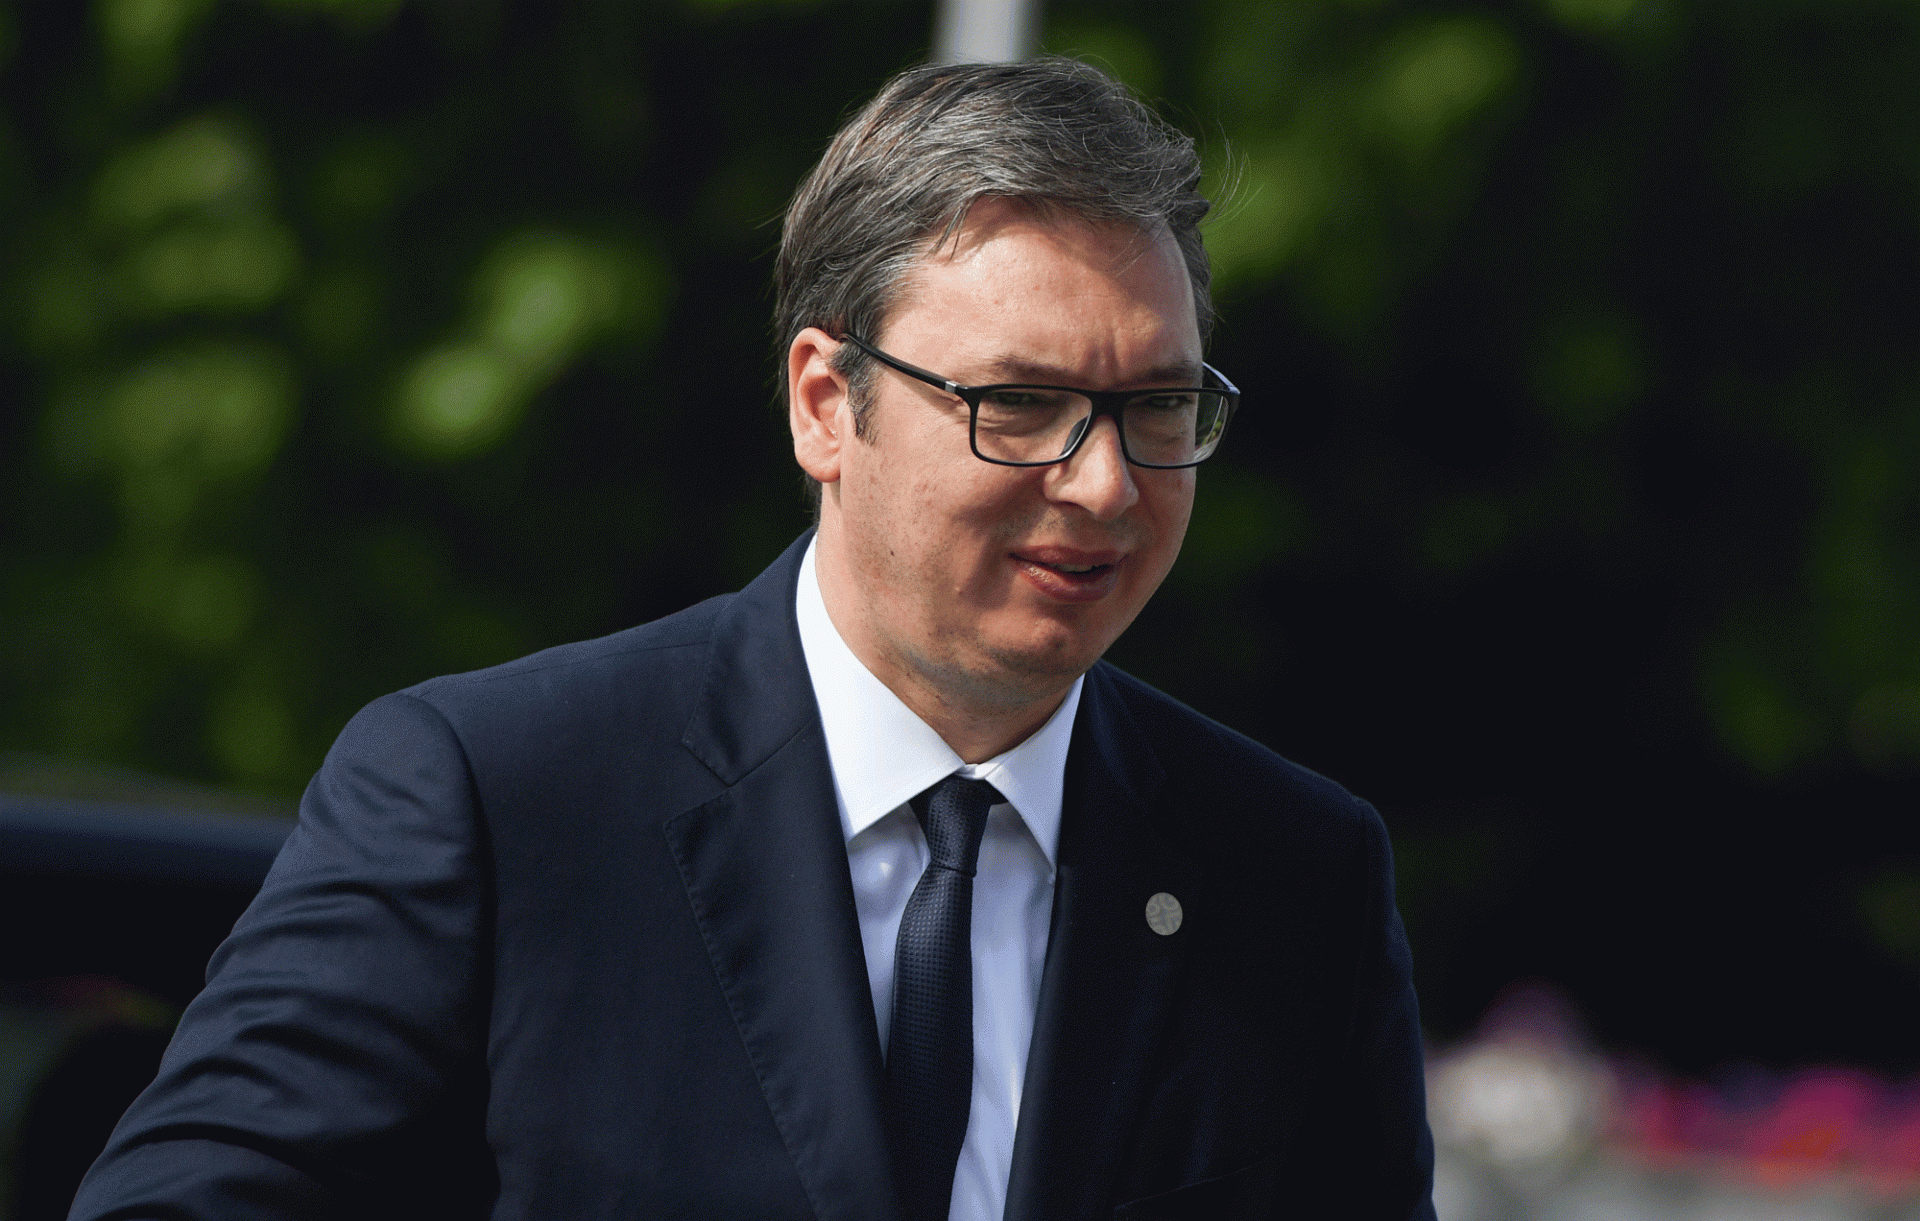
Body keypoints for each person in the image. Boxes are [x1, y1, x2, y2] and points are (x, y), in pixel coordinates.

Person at [71, 59, 1436, 1221]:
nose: (1104, 483)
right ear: (825, 405)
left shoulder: (1291, 879)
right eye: (1018, 405)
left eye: (1157, 406)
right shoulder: (500, 799)